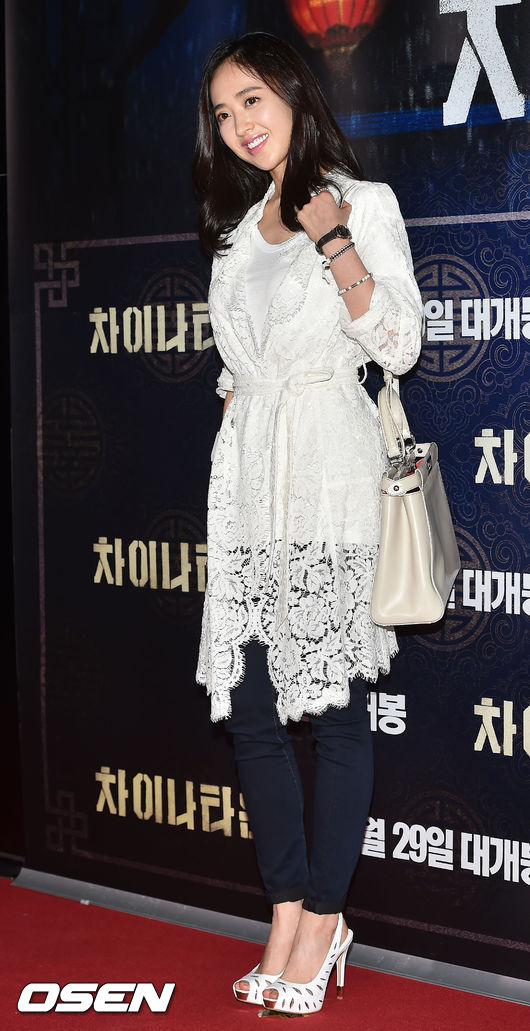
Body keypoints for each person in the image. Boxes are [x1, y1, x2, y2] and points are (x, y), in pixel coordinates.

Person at [193, 31, 423, 1015]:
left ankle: (326, 919)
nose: (238, 124)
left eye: (251, 99)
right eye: (221, 113)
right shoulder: (235, 233)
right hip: (250, 486)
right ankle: (284, 911)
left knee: (332, 713)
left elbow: (400, 343)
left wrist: (335, 243)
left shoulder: (362, 203)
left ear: (292, 92)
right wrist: (236, 401)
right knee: (252, 713)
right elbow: (241, 359)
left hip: (327, 481)